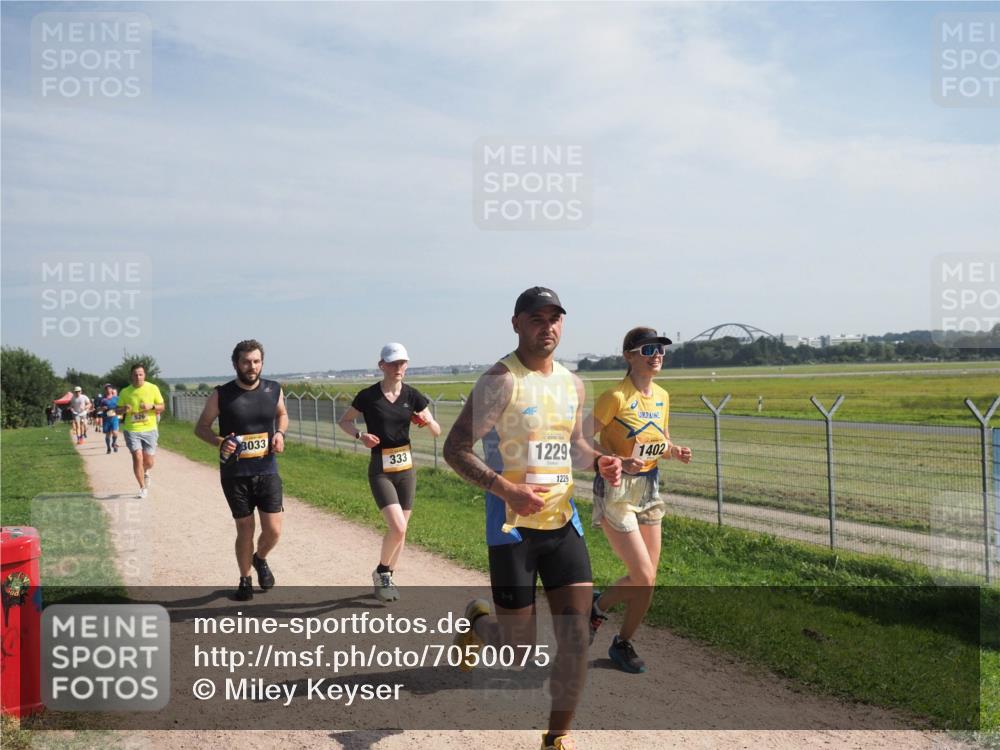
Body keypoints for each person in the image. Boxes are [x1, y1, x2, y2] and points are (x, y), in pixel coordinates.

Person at [443, 287, 623, 750]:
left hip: (563, 524)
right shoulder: (500, 381)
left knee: (576, 639)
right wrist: (507, 489)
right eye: (537, 318)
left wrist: (600, 459)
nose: (548, 327)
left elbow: (575, 448)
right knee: (517, 651)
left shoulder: (573, 383)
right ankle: (479, 621)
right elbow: (455, 448)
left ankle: (556, 737)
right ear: (517, 323)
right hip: (511, 528)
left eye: (555, 319)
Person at [584, 327, 692, 673]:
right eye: (648, 349)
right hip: (617, 490)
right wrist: (613, 460)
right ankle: (597, 608)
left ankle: (621, 640)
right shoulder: (615, 397)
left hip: (649, 487)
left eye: (661, 349)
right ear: (630, 355)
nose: (657, 354)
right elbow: (581, 439)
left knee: (649, 580)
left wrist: (675, 451)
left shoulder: (661, 394)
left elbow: (661, 438)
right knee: (642, 576)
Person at [337, 343, 441, 602]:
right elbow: (344, 421)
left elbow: (437, 430)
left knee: (402, 531)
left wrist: (427, 421)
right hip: (381, 468)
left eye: (402, 363)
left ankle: (387, 576)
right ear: (381, 365)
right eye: (393, 363)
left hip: (406, 469)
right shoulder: (368, 396)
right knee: (398, 525)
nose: (398, 368)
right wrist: (361, 436)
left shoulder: (413, 396)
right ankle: (382, 572)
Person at [195, 339, 289, 601]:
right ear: (236, 363)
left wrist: (280, 433)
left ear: (262, 363)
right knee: (245, 529)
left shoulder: (274, 389)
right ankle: (245, 579)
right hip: (235, 474)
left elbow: (282, 415)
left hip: (267, 469)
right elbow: (201, 428)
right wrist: (220, 442)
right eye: (246, 361)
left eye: (256, 361)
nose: (252, 366)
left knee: (273, 530)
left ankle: (260, 559)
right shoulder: (221, 394)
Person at [118, 364, 165, 499]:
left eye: (140, 374)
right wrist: (123, 409)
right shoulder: (125, 392)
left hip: (150, 429)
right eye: (135, 374)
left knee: (149, 462)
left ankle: (145, 472)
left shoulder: (152, 388)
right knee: (137, 457)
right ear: (131, 376)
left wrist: (152, 406)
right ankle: (142, 487)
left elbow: (162, 407)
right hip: (132, 429)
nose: (138, 377)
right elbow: (116, 410)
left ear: (144, 375)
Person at [98, 384, 120, 454]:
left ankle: (113, 443)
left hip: (114, 418)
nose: (108, 390)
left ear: (111, 389)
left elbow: (120, 406)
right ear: (105, 390)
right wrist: (102, 408)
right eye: (106, 389)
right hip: (106, 418)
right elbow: (98, 409)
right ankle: (108, 448)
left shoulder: (116, 398)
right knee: (108, 434)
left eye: (109, 388)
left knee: (115, 433)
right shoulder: (103, 399)